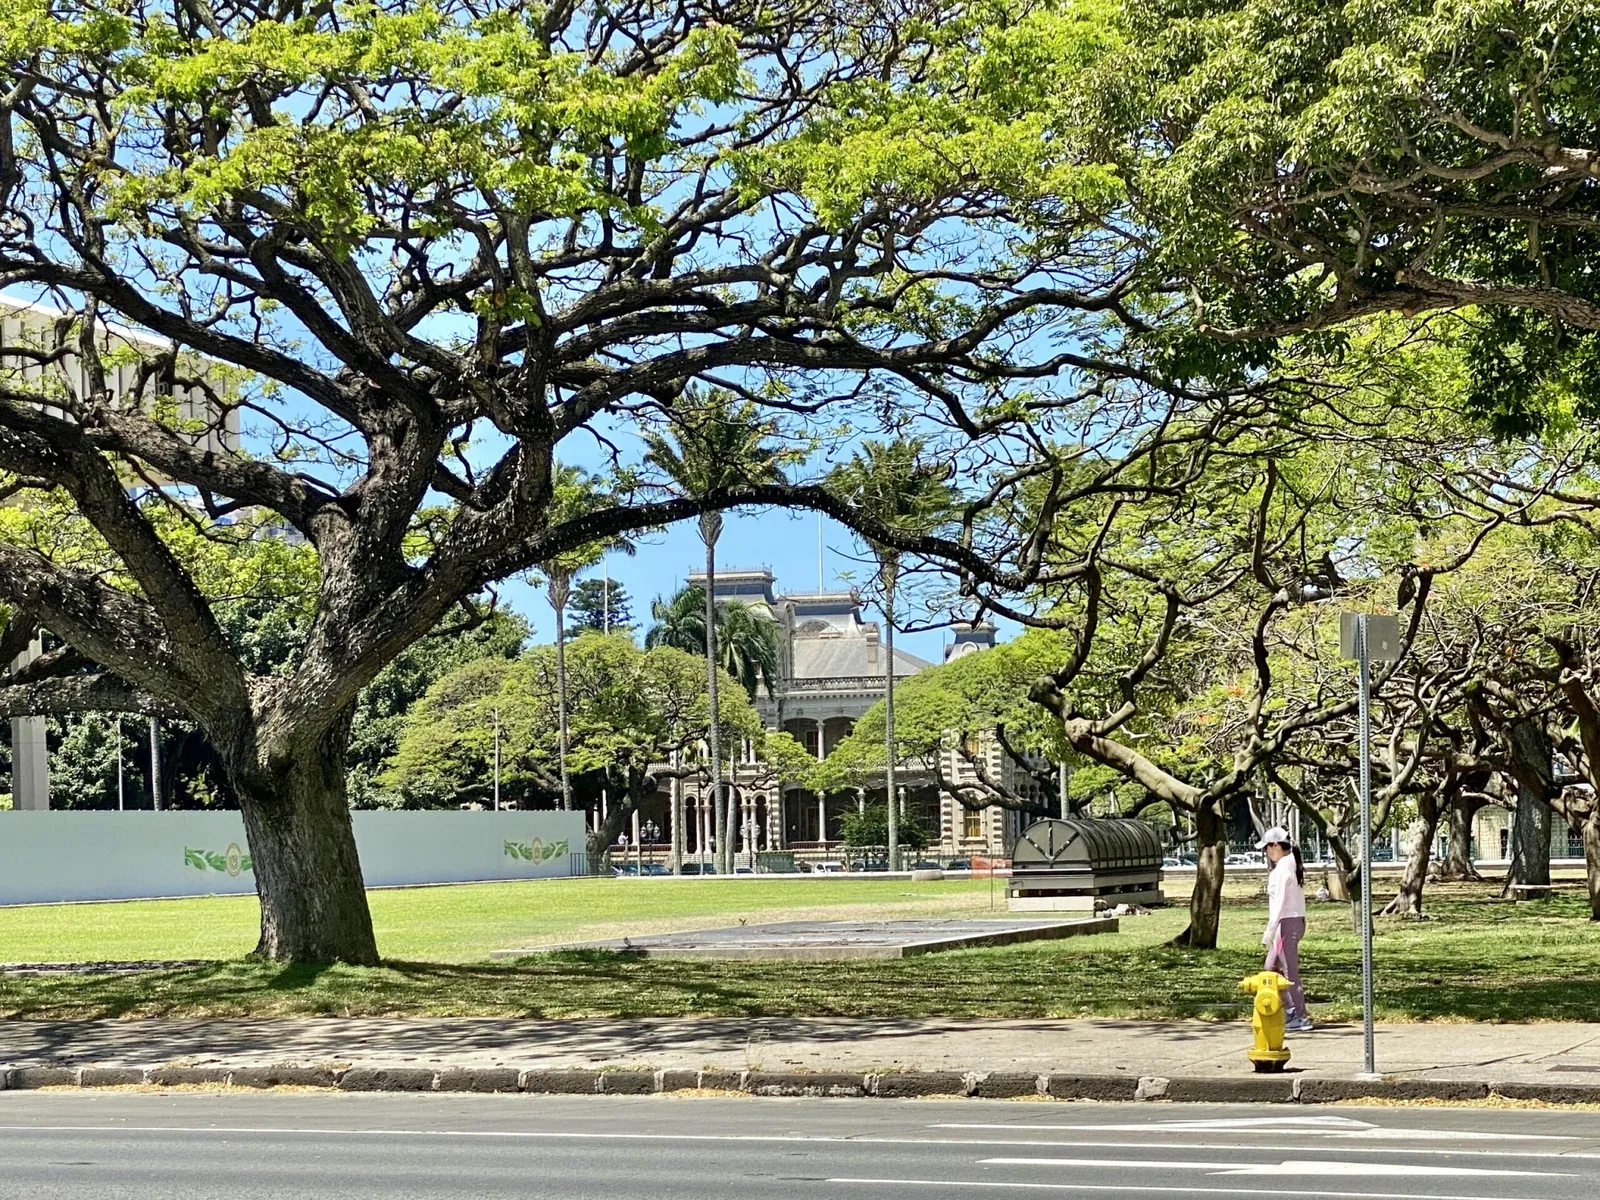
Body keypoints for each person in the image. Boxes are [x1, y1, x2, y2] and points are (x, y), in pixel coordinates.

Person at [1258, 825, 1311, 1032]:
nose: (1267, 853)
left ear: (1276, 845)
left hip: (1287, 924)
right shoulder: (1291, 863)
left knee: (1289, 974)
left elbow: (1278, 903)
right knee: (1270, 968)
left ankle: (1301, 1016)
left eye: (1268, 848)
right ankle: (1290, 1011)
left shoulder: (1282, 868)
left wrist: (1269, 932)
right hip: (1292, 922)